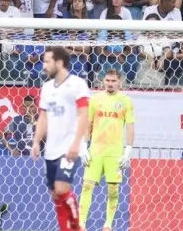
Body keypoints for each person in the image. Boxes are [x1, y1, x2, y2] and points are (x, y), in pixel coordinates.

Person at [31, 47, 90, 231]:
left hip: (70, 147)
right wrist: (35, 141)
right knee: (55, 194)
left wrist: (77, 143)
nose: (44, 65)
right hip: (52, 149)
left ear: (59, 62)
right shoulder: (47, 88)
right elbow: (43, 117)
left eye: (47, 61)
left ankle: (76, 226)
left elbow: (84, 115)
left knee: (62, 188)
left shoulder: (77, 84)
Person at [79, 68, 135, 231]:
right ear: (104, 81)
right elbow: (87, 124)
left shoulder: (126, 102)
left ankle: (108, 224)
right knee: (87, 185)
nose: (110, 84)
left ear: (120, 82)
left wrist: (128, 151)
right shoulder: (95, 100)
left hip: (114, 153)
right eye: (108, 81)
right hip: (96, 150)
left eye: (113, 81)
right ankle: (81, 224)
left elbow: (130, 127)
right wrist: (84, 146)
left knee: (113, 189)